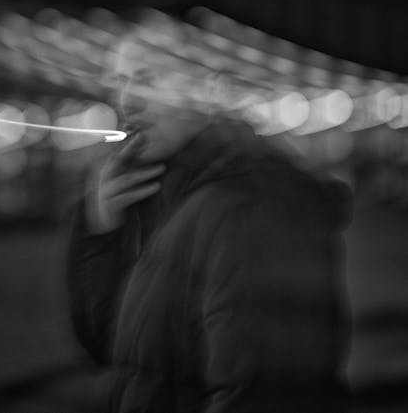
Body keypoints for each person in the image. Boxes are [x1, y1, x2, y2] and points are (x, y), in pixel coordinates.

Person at [67, 28, 352, 412]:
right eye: (120, 82)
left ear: (212, 88)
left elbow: (263, 396)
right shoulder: (178, 199)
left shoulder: (248, 210)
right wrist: (102, 233)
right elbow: (119, 351)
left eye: (148, 78)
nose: (126, 100)